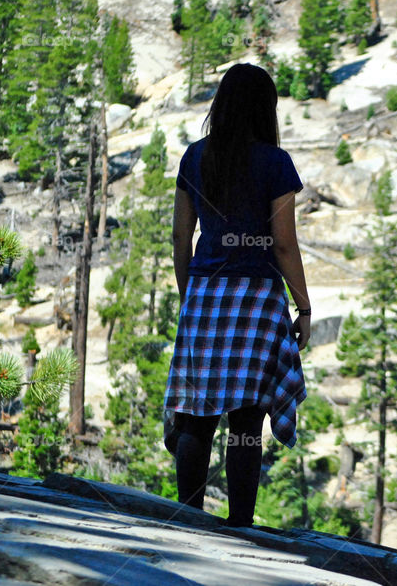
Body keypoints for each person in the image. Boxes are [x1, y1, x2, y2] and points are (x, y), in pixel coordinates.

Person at [162, 63, 311, 528]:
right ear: (265, 108)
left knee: (196, 415)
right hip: (258, 300)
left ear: (221, 105)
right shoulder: (275, 162)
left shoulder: (194, 157)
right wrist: (303, 304)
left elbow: (180, 237)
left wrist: (192, 297)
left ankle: (187, 521)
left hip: (206, 294)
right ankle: (240, 526)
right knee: (247, 420)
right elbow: (283, 243)